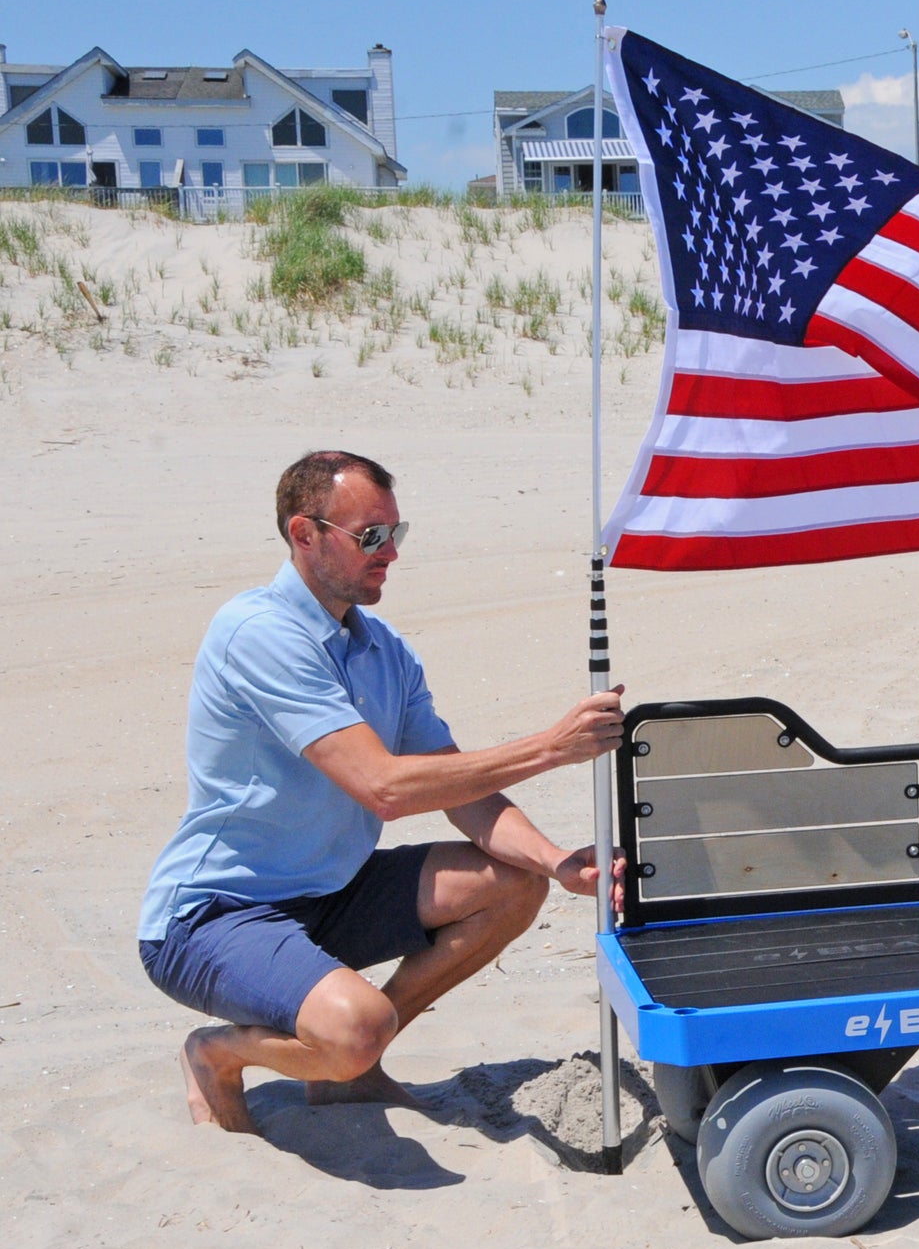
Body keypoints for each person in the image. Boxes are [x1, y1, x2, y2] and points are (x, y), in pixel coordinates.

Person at [138, 449, 625, 1135]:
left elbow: (465, 791)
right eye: (371, 536)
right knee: (356, 1027)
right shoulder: (257, 634)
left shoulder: (385, 649)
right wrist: (552, 747)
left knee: (516, 883)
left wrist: (555, 861)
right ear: (304, 534)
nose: (390, 553)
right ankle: (216, 1054)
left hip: (331, 893)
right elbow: (384, 789)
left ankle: (351, 1069)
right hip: (215, 914)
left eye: (396, 533)